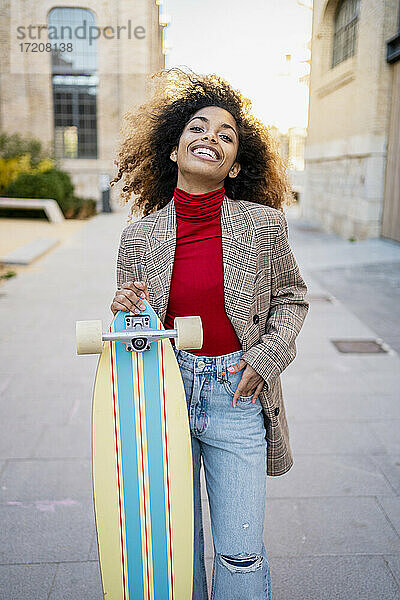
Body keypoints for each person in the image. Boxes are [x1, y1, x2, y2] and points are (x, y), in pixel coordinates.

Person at [110, 67, 309, 600]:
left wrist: (266, 358)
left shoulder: (262, 223)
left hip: (236, 394)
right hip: (164, 393)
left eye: (226, 135)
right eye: (198, 128)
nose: (211, 138)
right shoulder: (139, 234)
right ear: (173, 150)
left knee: (240, 552)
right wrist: (124, 314)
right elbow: (132, 331)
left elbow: (292, 298)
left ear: (236, 163)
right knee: (176, 549)